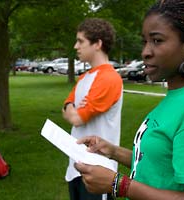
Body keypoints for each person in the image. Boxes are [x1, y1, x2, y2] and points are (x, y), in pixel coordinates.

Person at [74, 0, 184, 199]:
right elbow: (158, 165)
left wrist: (118, 184)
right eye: (144, 41)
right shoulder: (179, 96)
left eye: (157, 40)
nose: (145, 52)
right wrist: (111, 150)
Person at [62, 18, 123, 200]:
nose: (75, 46)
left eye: (80, 41)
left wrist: (73, 111)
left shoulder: (109, 78)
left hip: (98, 170)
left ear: (97, 44)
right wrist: (72, 109)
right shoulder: (85, 77)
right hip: (76, 165)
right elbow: (66, 107)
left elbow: (76, 118)